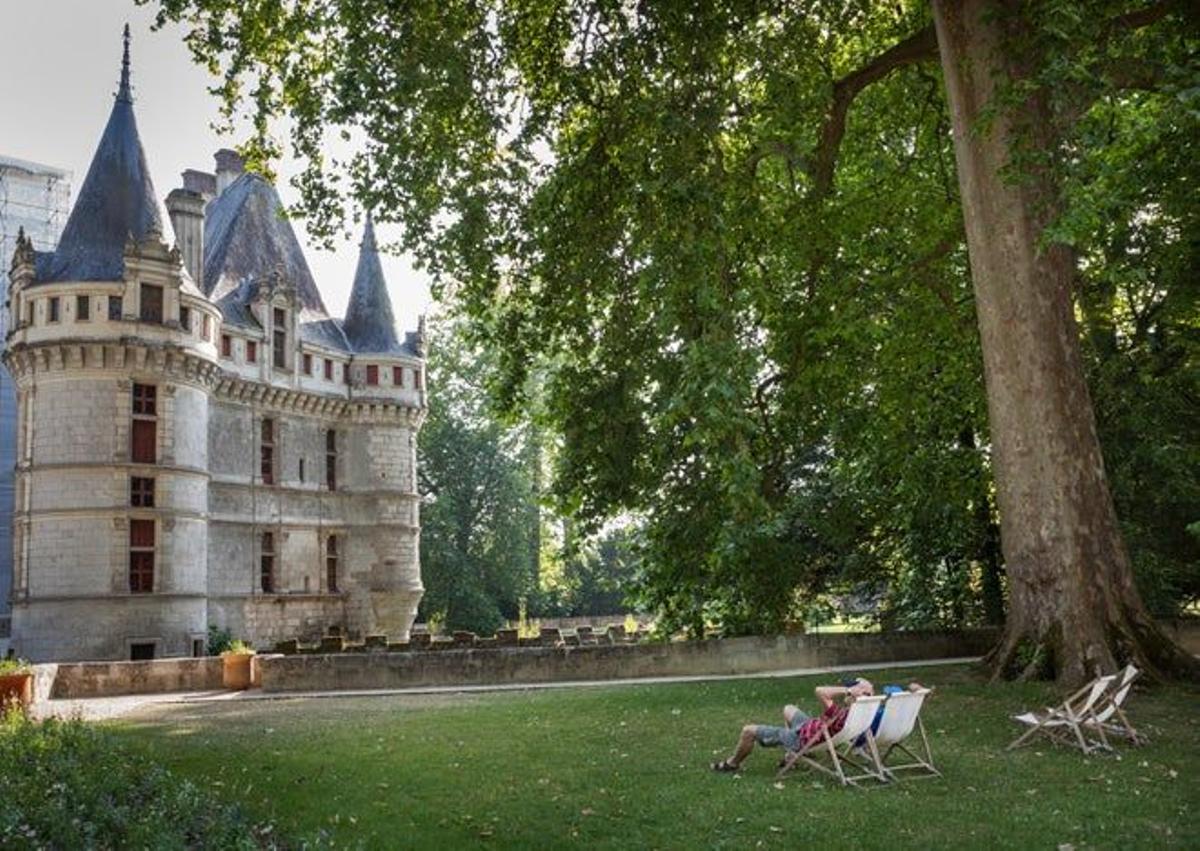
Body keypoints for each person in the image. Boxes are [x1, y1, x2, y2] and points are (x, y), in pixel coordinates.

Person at [711, 677, 875, 773]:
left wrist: (848, 691)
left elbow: (820, 691)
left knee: (748, 730)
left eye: (850, 687)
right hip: (811, 727)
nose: (846, 689)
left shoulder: (840, 714)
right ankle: (791, 754)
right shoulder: (863, 712)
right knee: (789, 708)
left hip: (803, 738)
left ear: (854, 694)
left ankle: (732, 764)